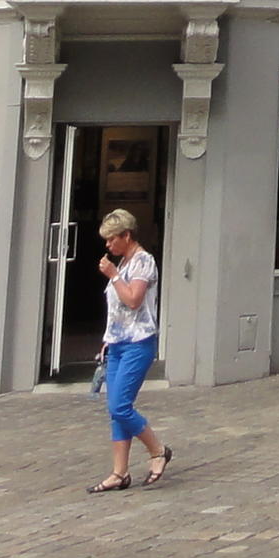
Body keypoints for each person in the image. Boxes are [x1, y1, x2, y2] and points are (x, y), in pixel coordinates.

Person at [90, 210, 172, 493]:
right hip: (117, 344)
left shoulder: (143, 261)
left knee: (120, 406)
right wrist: (108, 340)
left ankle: (158, 450)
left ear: (127, 235)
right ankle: (119, 472)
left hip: (138, 344)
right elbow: (117, 309)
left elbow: (134, 300)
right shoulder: (124, 262)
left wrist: (113, 275)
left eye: (112, 239)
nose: (108, 245)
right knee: (115, 410)